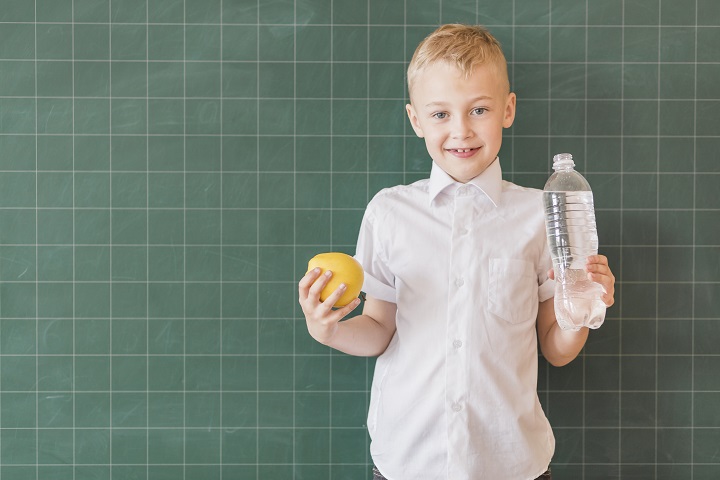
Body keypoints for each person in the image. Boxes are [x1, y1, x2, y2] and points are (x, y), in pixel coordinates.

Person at [298, 24, 615, 480]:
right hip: (408, 463)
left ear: (507, 109)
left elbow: (556, 348)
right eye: (441, 114)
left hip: (512, 465)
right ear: (415, 120)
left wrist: (580, 310)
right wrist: (325, 329)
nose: (461, 130)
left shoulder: (540, 215)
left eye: (479, 109)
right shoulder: (390, 212)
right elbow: (379, 331)